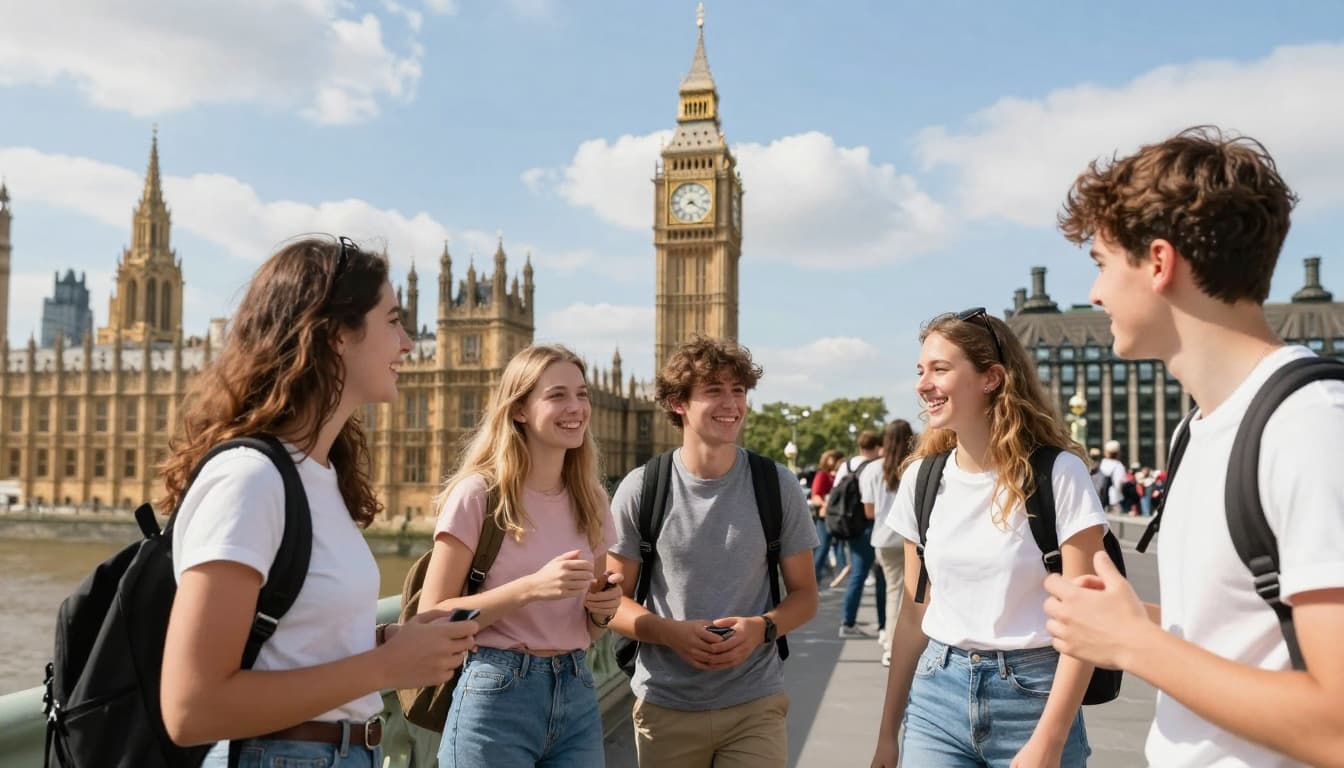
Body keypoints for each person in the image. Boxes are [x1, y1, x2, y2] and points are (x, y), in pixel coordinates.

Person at [1045, 126, 1344, 767]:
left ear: (1158, 262)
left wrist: (1132, 644)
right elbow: (1240, 637)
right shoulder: (1199, 428)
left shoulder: (1311, 426)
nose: (1095, 293)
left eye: (1101, 263)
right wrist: (1131, 623)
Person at [159, 236, 478, 767]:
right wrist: (385, 668)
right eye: (394, 322)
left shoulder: (321, 477)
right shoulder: (250, 480)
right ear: (337, 335)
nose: (408, 344)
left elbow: (287, 647)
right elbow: (191, 708)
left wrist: (384, 643)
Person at [871, 308, 1107, 768]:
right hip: (936, 694)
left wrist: (1051, 740)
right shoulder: (922, 479)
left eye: (940, 369)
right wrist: (887, 733)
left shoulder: (1058, 474)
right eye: (921, 370)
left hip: (1035, 696)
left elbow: (1087, 622)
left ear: (991, 378)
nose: (923, 384)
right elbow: (913, 612)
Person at [607, 336, 819, 768]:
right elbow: (611, 605)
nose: (731, 403)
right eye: (714, 390)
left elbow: (805, 596)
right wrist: (671, 633)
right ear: (678, 403)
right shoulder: (642, 489)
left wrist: (760, 629)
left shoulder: (776, 486)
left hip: (754, 703)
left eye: (738, 390)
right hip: (666, 705)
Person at [417, 344, 621, 768]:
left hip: (577, 688)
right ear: (519, 410)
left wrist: (603, 609)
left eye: (582, 394)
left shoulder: (593, 500)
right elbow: (431, 618)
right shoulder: (478, 495)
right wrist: (529, 589)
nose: (576, 407)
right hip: (495, 693)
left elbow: (594, 629)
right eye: (557, 395)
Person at [867, 419, 916, 667]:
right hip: (912, 537)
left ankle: (889, 643)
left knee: (893, 591)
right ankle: (901, 643)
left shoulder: (873, 469)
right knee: (915, 594)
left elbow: (868, 510)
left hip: (883, 538)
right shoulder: (916, 465)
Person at [838, 431, 886, 639]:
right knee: (882, 577)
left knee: (857, 575)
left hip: (852, 526)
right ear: (877, 447)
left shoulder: (846, 465)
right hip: (872, 525)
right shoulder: (878, 467)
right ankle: (883, 623)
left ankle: (847, 621)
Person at [811, 448, 849, 585]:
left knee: (839, 545)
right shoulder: (823, 475)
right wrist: (827, 506)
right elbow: (816, 495)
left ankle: (840, 576)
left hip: (838, 517)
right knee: (823, 547)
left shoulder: (842, 475)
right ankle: (813, 578)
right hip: (826, 517)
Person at [1098, 440, 1127, 513]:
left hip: (1100, 499)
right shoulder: (1118, 465)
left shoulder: (1102, 464)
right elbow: (1119, 483)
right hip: (1114, 499)